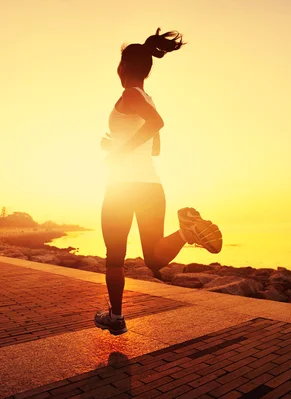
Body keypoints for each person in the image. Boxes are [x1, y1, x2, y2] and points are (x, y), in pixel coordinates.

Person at [94, 28, 223, 335]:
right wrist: (118, 145)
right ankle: (186, 231)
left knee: (115, 257)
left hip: (122, 188)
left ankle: (116, 316)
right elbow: (156, 147)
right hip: (150, 186)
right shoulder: (147, 98)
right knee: (154, 258)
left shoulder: (129, 95)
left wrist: (118, 152)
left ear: (122, 68)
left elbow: (156, 125)